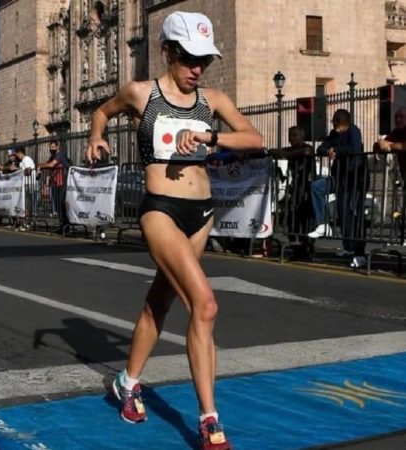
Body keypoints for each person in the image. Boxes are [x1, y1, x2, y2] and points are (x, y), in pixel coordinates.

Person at [86, 11, 262, 450]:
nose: (196, 69)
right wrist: (94, 136)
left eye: (203, 60)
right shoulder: (141, 94)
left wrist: (209, 139)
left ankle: (128, 382)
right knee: (204, 305)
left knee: (158, 302)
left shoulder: (212, 100)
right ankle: (209, 420)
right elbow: (101, 112)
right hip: (160, 209)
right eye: (188, 59)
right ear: (168, 52)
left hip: (200, 214)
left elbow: (254, 137)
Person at [308, 109, 369, 268]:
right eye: (334, 122)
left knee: (354, 213)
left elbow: (355, 149)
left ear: (345, 122)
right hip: (340, 178)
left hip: (355, 178)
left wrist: (336, 151)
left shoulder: (354, 131)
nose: (335, 126)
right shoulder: (333, 134)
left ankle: (358, 251)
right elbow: (320, 148)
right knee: (339, 209)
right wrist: (328, 151)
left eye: (337, 123)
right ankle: (328, 229)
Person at [270, 126, 315, 260]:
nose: (291, 138)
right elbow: (274, 151)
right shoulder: (290, 150)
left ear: (302, 136)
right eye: (290, 135)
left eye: (294, 135)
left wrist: (283, 154)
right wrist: (278, 152)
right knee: (290, 220)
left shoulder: (307, 148)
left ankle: (307, 250)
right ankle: (297, 250)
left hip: (305, 190)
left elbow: (307, 152)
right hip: (293, 190)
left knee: (305, 223)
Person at [374, 107, 406, 246]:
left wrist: (389, 145)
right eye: (396, 117)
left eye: (401, 116)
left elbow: (402, 146)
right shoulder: (397, 132)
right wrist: (379, 144)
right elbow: (381, 144)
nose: (398, 119)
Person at [37, 139, 71, 231]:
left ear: (57, 146)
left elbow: (52, 165)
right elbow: (48, 164)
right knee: (58, 206)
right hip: (55, 183)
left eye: (53, 147)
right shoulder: (53, 156)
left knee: (62, 204)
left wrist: (40, 166)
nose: (51, 149)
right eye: (50, 147)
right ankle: (62, 225)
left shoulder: (60, 155)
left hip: (63, 183)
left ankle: (66, 225)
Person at [15, 147, 37, 229]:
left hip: (28, 183)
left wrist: (17, 170)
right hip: (24, 184)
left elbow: (28, 170)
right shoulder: (22, 161)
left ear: (20, 152)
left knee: (27, 204)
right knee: (24, 204)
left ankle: (27, 222)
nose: (17, 156)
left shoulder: (26, 159)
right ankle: (24, 221)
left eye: (17, 154)